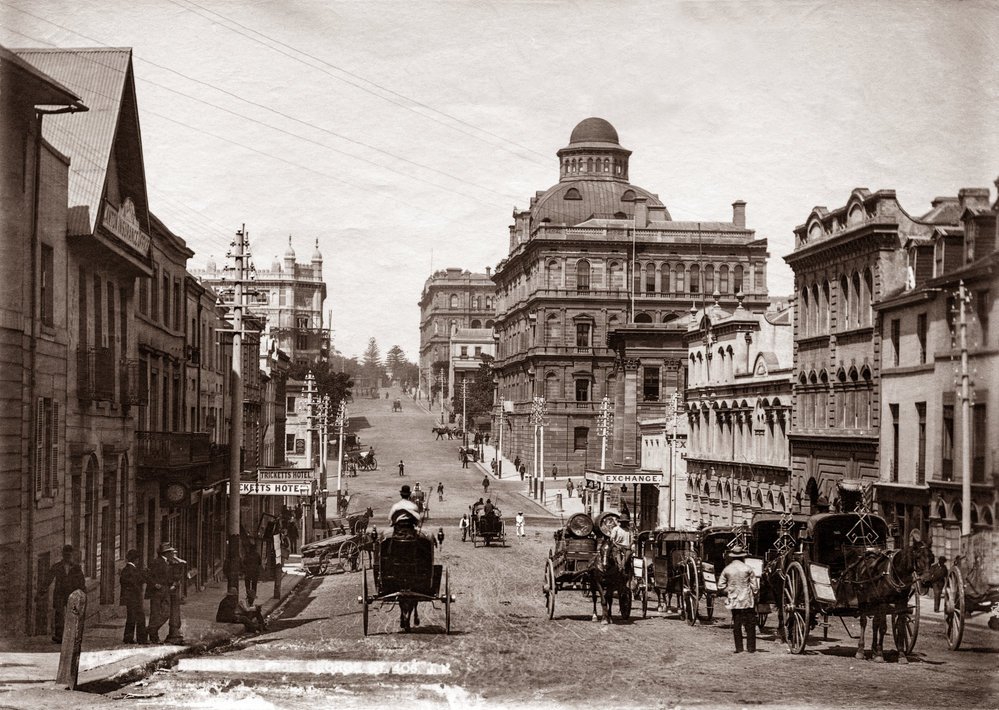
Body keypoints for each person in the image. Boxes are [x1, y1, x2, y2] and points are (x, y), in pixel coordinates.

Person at [717, 544, 759, 653]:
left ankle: (739, 648)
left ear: (732, 557)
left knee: (737, 623)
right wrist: (754, 595)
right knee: (750, 623)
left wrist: (730, 591)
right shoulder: (748, 568)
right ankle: (751, 648)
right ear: (742, 557)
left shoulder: (727, 569)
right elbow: (755, 587)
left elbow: (720, 586)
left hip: (734, 599)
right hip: (747, 599)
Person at [42, 544, 86, 644]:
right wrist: (41, 592)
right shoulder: (57, 566)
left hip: (72, 594)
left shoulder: (76, 568)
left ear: (72, 555)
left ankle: (73, 635)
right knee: (59, 614)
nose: (67, 557)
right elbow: (48, 579)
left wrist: (83, 594)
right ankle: (59, 636)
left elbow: (81, 582)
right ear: (62, 555)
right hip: (59, 594)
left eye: (69, 555)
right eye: (65, 555)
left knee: (73, 614)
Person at [146, 542, 182, 644]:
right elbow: (148, 576)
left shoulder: (168, 562)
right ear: (165, 553)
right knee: (156, 614)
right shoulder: (156, 562)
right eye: (170, 552)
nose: (172, 554)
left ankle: (150, 631)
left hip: (165, 591)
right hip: (157, 592)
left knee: (165, 613)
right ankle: (153, 636)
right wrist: (155, 584)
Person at [119, 548, 147, 644]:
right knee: (140, 617)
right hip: (135, 598)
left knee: (131, 618)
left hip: (129, 598)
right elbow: (137, 582)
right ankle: (142, 639)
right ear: (136, 559)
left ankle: (128, 638)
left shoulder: (126, 570)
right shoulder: (133, 570)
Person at [242, 541, 261, 606]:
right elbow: (259, 562)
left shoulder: (247, 555)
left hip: (248, 572)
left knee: (247, 584)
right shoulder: (257, 555)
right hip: (255, 572)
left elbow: (244, 562)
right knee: (254, 584)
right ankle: (252, 596)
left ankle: (248, 595)